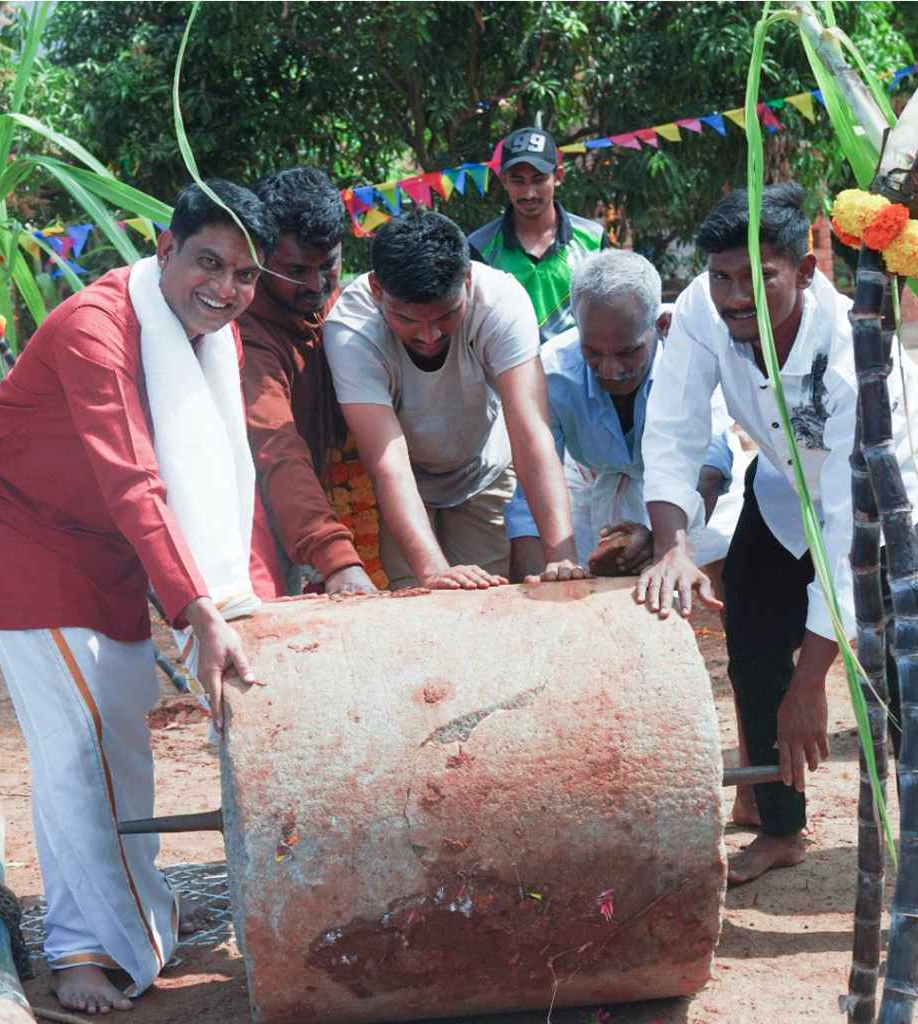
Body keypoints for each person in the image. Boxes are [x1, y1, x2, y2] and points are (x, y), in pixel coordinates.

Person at [0, 180, 280, 1012]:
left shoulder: (210, 339)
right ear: (164, 252)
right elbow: (133, 478)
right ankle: (82, 948)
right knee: (75, 746)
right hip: (22, 538)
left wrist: (250, 605)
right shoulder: (94, 327)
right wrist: (194, 609)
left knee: (119, 740)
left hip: (105, 551)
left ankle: (131, 913)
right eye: (209, 262)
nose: (226, 289)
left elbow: (227, 481)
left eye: (247, 275)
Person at [636, 182, 918, 883]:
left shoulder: (860, 359)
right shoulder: (703, 307)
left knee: (900, 679)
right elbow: (672, 426)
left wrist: (815, 678)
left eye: (755, 279)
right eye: (721, 277)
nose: (735, 297)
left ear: (804, 271)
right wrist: (674, 544)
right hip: (782, 492)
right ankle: (782, 828)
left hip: (885, 511)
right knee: (754, 647)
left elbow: (850, 525)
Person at [323, 209, 580, 591]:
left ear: (469, 278)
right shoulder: (351, 331)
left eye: (446, 316)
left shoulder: (501, 301)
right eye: (408, 320)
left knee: (487, 601)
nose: (428, 336)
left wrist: (562, 557)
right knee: (414, 602)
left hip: (482, 471)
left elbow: (531, 433)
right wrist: (432, 571)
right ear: (377, 291)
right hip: (404, 480)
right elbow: (387, 462)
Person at [506, 249, 745, 582]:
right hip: (595, 480)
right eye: (592, 351)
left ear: (661, 326)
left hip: (696, 486)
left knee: (731, 568)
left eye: (628, 351)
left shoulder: (695, 347)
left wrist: (662, 542)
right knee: (586, 577)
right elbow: (531, 491)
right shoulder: (551, 372)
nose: (610, 370)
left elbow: (710, 470)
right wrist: (547, 579)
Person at [242, 167, 376, 596]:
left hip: (323, 504)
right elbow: (276, 449)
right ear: (258, 255)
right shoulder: (243, 334)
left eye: (329, 264)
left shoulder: (341, 303)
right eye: (297, 270)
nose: (317, 284)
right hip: (256, 519)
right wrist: (333, 556)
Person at [468, 126, 606, 345]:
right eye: (518, 181)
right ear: (504, 180)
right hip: (505, 374)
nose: (529, 192)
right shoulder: (479, 247)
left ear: (558, 176)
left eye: (539, 179)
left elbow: (607, 311)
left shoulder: (592, 239)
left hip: (580, 373)